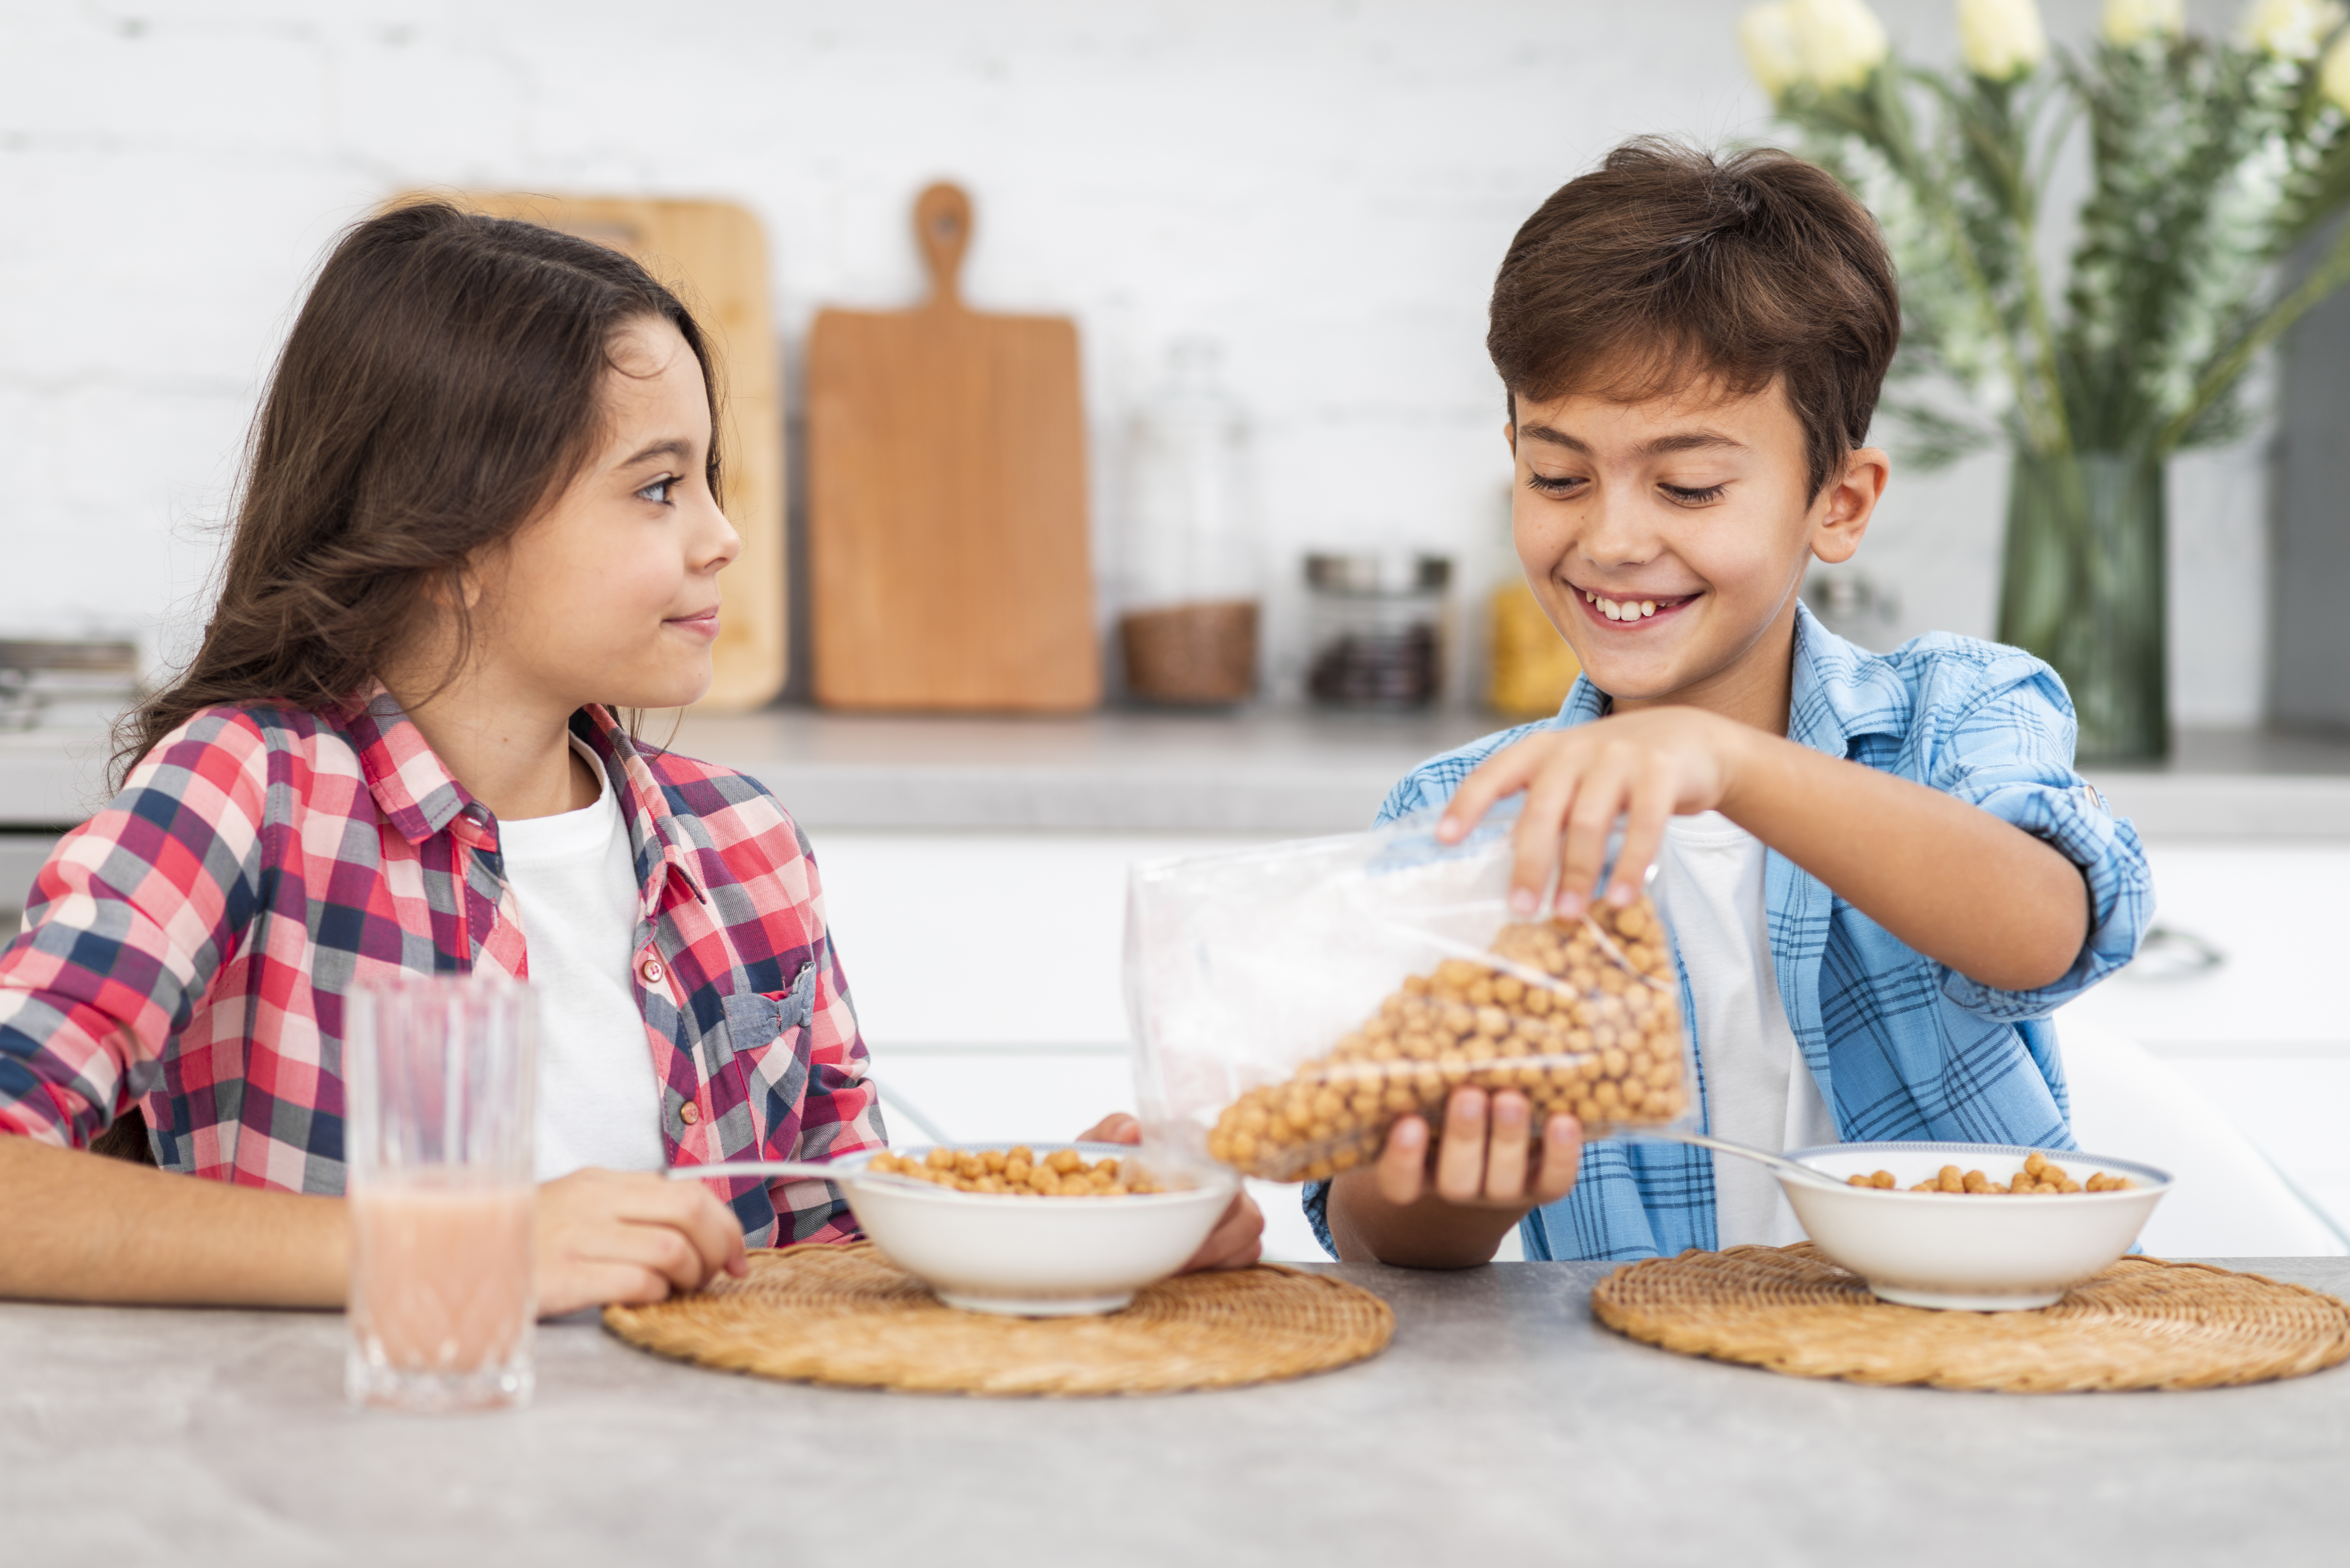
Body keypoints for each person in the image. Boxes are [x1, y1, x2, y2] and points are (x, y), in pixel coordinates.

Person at [0, 203, 1258, 1314]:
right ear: (456, 534)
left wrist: (1088, 1229)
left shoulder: (741, 844)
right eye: (659, 488)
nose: (722, 538)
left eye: (711, 480)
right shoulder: (246, 793)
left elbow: (827, 1254)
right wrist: (465, 1247)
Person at [1312, 139, 2150, 1268]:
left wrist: (1725, 761)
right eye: (1558, 476)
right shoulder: (1461, 813)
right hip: (1630, 1408)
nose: (1610, 539)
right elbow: (1372, 1236)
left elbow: (2049, 930)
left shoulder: (1960, 710)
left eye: (1690, 486)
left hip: (1960, 1383)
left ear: (1838, 503)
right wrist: (1464, 1192)